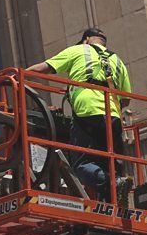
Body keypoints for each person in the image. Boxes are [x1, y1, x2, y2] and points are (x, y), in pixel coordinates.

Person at [26, 27, 134, 204]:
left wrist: (20, 74)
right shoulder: (117, 61)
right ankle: (115, 192)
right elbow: (127, 99)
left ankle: (112, 184)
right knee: (110, 162)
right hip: (112, 116)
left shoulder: (78, 50)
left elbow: (45, 67)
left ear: (86, 40)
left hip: (87, 111)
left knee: (81, 164)